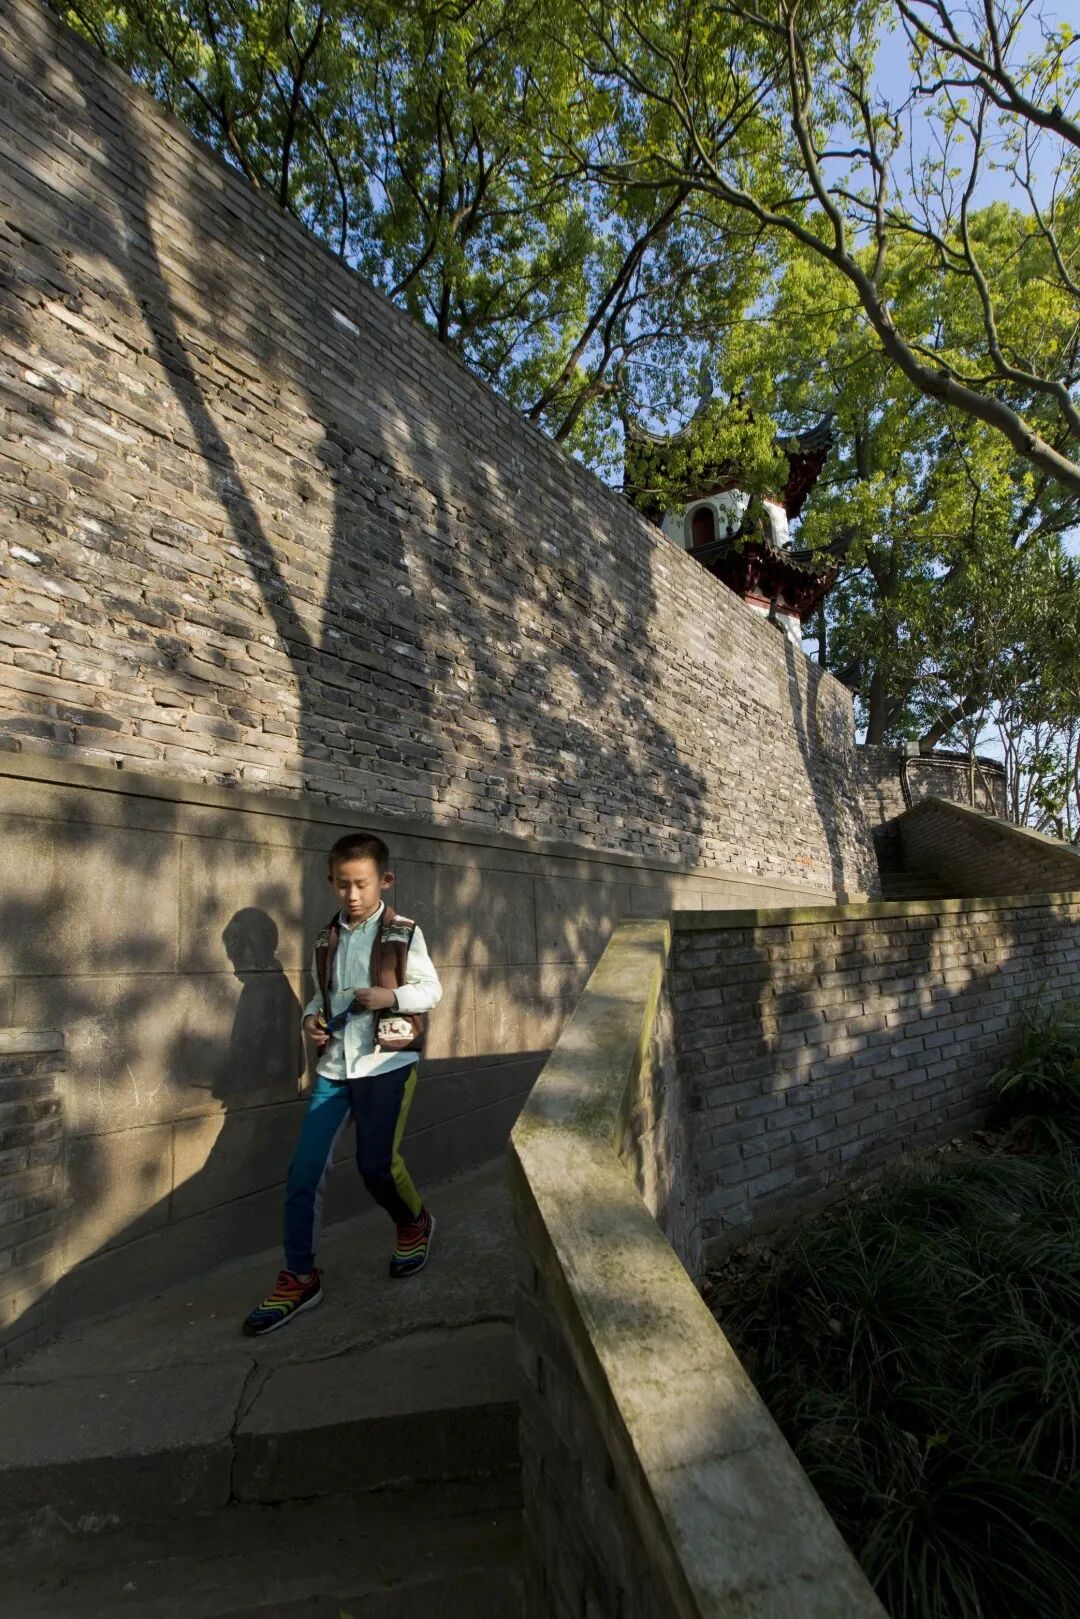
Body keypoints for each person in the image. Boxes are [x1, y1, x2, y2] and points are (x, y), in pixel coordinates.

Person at [242, 832, 442, 1336]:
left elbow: (430, 990)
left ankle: (414, 1223)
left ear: (384, 880)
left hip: (386, 1064)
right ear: (330, 881)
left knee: (377, 1165)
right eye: (343, 885)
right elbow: (321, 996)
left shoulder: (404, 932)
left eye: (362, 884)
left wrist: (389, 997)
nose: (352, 895)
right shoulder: (323, 938)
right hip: (334, 1070)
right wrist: (310, 1020)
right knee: (303, 1172)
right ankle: (300, 1277)